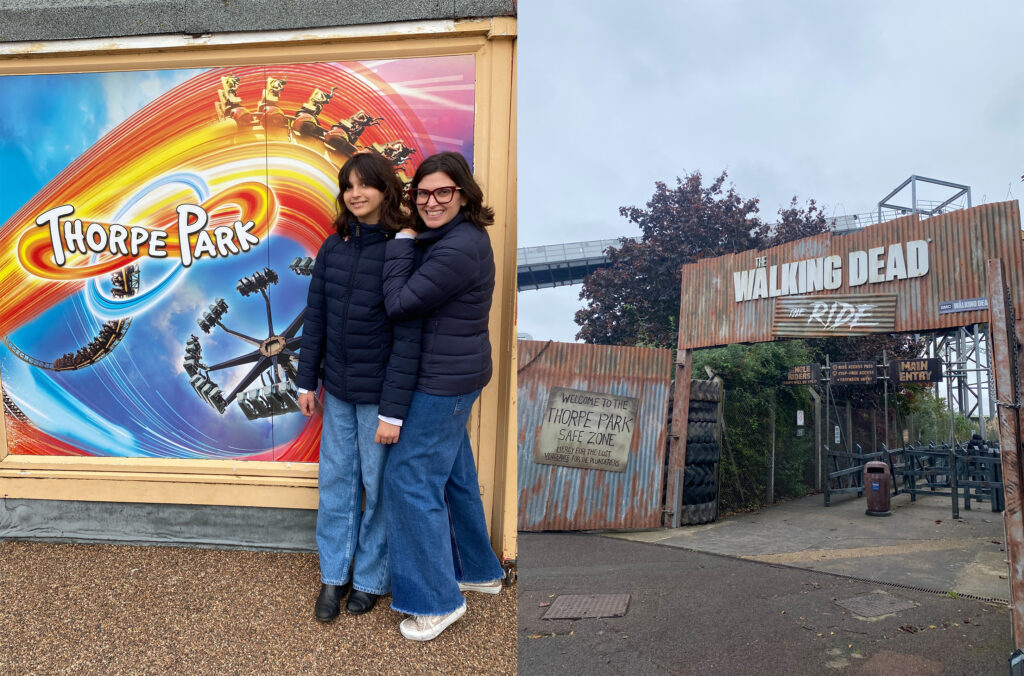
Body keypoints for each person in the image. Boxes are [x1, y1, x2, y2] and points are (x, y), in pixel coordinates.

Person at [381, 151, 505, 641]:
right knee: (454, 474)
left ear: (463, 194)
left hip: (441, 381)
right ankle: (478, 570)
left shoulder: (456, 248)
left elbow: (398, 303)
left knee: (409, 478)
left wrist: (401, 242)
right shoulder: (457, 237)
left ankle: (436, 601)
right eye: (423, 193)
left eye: (442, 192)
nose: (430, 202)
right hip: (458, 374)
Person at [295, 151, 420, 622]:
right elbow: (318, 317)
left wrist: (393, 411)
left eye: (365, 185)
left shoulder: (402, 247)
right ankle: (334, 578)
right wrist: (307, 379)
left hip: (379, 396)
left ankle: (370, 580)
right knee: (336, 484)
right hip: (339, 391)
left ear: (386, 189)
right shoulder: (334, 246)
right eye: (348, 186)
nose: (356, 194)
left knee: (378, 488)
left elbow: (409, 333)